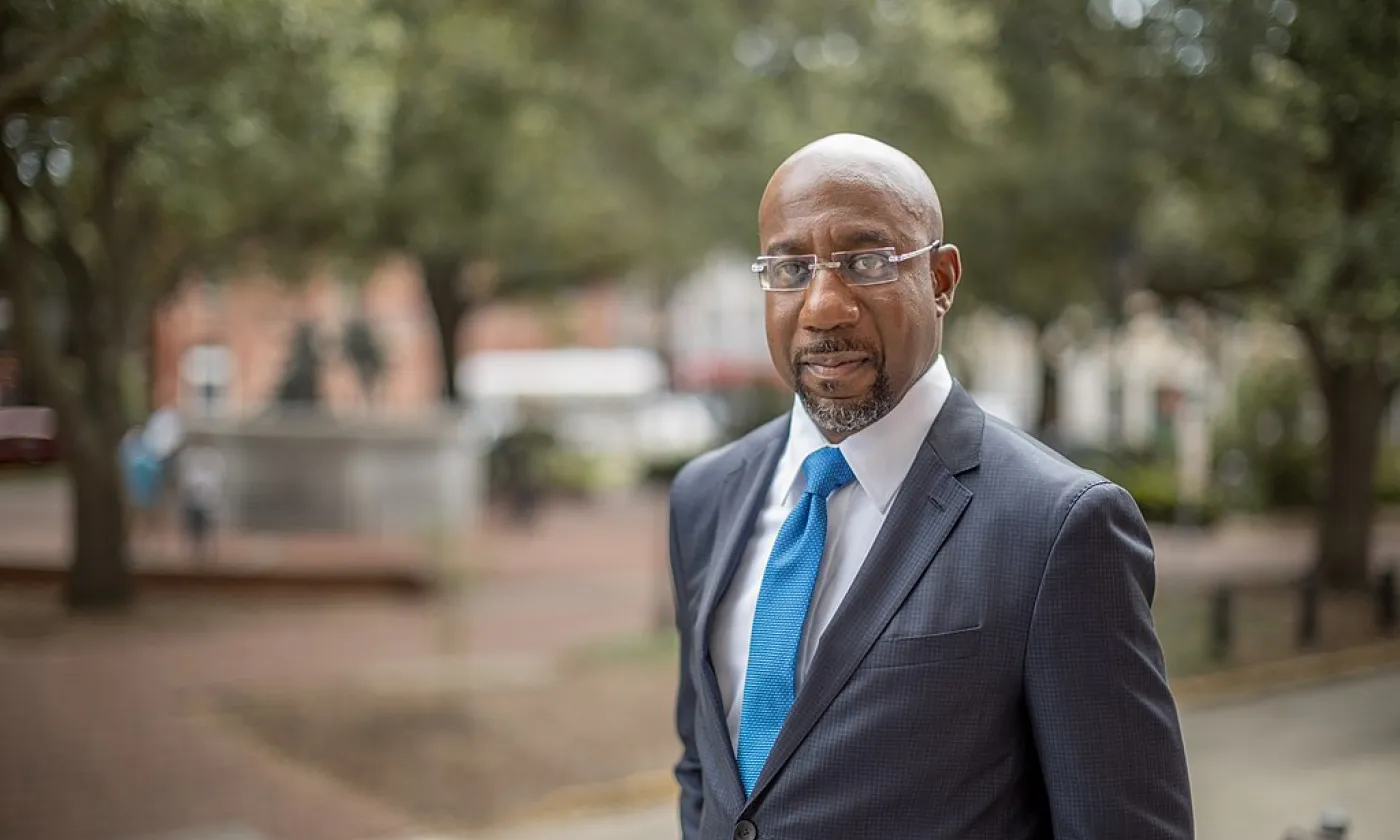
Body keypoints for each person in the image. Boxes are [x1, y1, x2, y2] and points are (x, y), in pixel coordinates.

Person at [666, 134, 1193, 840]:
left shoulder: (1059, 527)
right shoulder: (705, 497)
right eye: (791, 267)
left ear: (941, 281)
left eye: (867, 262)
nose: (823, 306)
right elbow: (707, 772)